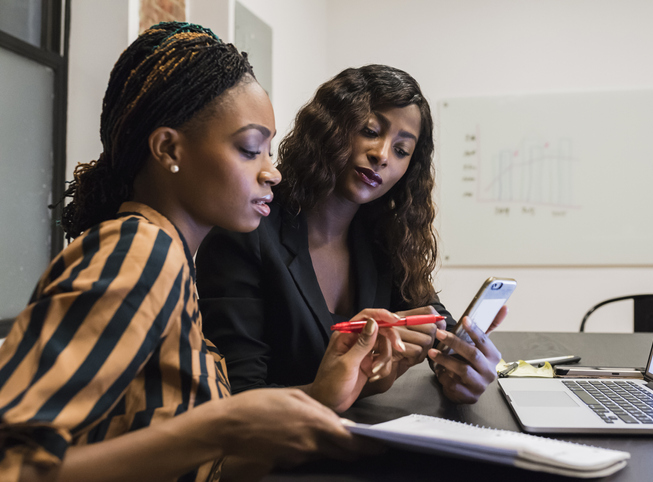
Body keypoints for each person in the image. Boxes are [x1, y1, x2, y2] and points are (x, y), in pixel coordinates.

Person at [0, 22, 397, 482]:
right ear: (169, 148)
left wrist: (319, 396)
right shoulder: (137, 255)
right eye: (251, 150)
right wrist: (218, 428)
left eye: (270, 152)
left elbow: (192, 464)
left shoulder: (170, 260)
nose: (273, 174)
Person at [196, 64, 507, 406]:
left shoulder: (384, 237)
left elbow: (431, 317)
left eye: (402, 150)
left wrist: (457, 361)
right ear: (329, 127)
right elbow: (236, 400)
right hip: (279, 453)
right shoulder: (246, 232)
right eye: (370, 131)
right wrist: (342, 390)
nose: (382, 155)